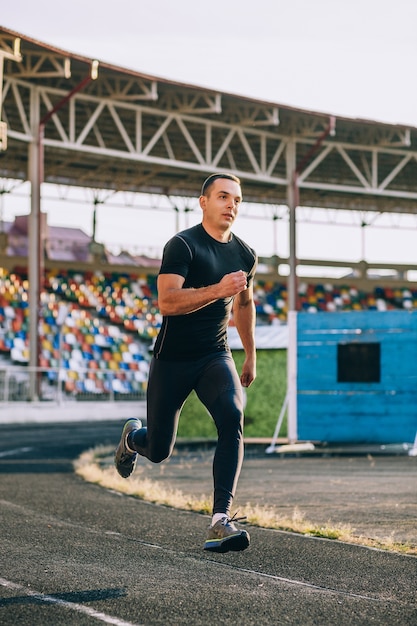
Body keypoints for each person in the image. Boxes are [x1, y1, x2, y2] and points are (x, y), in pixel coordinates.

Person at [115, 173, 257, 553]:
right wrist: (218, 290)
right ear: (204, 202)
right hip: (173, 360)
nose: (231, 205)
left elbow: (244, 303)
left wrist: (250, 354)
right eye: (223, 197)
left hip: (215, 355)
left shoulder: (245, 255)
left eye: (237, 200)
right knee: (159, 450)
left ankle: (219, 520)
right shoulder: (182, 245)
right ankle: (132, 439)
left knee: (232, 416)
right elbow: (167, 302)